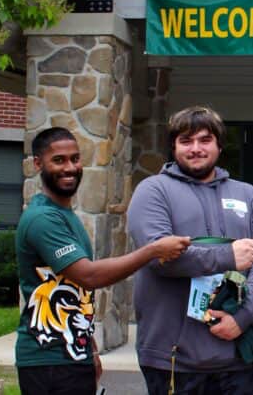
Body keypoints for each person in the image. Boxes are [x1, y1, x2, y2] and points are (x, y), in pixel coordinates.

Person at [15, 127, 190, 395]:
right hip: (47, 360)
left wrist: (90, 348)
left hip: (74, 354)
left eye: (75, 159)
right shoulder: (43, 220)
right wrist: (153, 250)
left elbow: (79, 292)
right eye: (59, 160)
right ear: (38, 163)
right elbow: (89, 276)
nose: (70, 168)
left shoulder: (64, 215)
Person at [127, 106, 253, 395]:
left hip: (238, 353)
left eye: (205, 140)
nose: (196, 148)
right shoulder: (153, 190)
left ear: (220, 145)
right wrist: (227, 255)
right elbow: (159, 257)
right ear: (174, 147)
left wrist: (242, 319)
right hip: (172, 357)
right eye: (186, 141)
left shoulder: (248, 195)